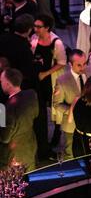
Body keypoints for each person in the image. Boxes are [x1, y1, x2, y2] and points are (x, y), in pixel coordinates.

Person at [31, 14, 67, 158]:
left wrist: (45, 73)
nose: (35, 29)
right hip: (39, 78)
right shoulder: (34, 39)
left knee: (55, 106)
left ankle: (57, 132)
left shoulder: (56, 43)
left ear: (47, 28)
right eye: (35, 26)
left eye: (39, 27)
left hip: (51, 78)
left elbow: (62, 62)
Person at [53, 50, 91, 159]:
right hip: (71, 126)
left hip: (89, 123)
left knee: (90, 153)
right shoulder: (62, 81)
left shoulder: (90, 71)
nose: (83, 67)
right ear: (70, 64)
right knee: (70, 155)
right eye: (79, 65)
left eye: (84, 63)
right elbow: (57, 104)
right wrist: (72, 110)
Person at [0, 68, 38, 172]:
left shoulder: (5, 109)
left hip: (13, 157)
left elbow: (4, 138)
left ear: (8, 84)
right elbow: (35, 114)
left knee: (15, 186)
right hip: (30, 149)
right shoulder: (31, 94)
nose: (1, 84)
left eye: (1, 81)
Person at [0, 14, 36, 90]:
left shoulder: (3, 37)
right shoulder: (25, 50)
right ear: (29, 29)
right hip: (14, 83)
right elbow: (27, 73)